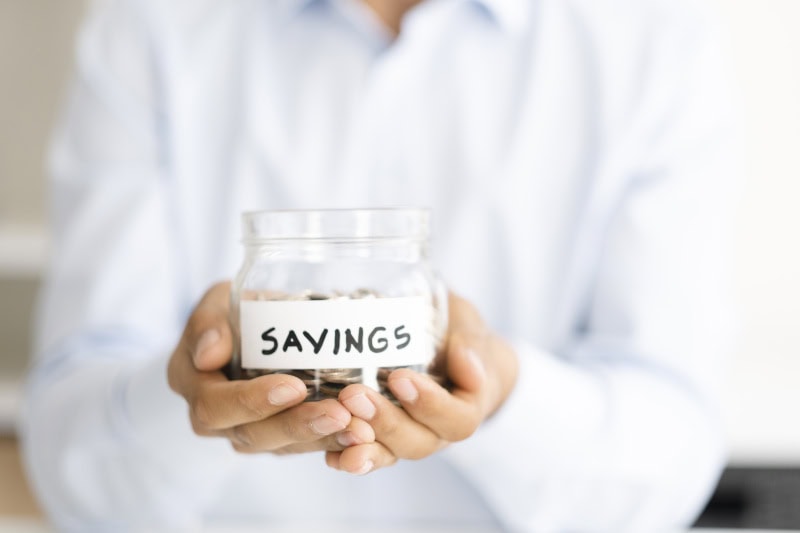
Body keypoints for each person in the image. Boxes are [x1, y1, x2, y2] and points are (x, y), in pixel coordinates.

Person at [21, 0, 740, 530]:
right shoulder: (150, 25)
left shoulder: (652, 35)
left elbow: (667, 455)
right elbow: (69, 460)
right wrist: (185, 395)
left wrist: (500, 389)